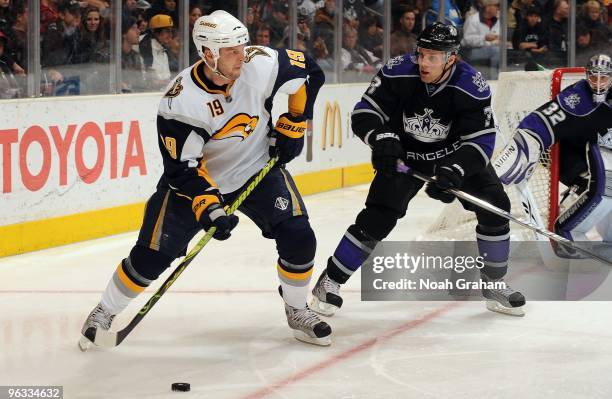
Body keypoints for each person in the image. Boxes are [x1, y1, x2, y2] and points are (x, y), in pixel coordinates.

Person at [79, 10, 331, 350]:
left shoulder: (260, 63)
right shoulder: (180, 101)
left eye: (242, 46)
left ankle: (297, 309)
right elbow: (183, 168)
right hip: (195, 183)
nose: (242, 55)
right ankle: (104, 311)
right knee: (151, 257)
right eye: (231, 50)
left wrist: (296, 121)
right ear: (208, 53)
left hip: (256, 167)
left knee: (299, 236)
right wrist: (209, 205)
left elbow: (310, 72)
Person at [309, 22, 526, 317]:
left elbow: (481, 140)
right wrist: (381, 139)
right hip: (405, 157)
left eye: (432, 57)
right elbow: (365, 112)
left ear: (451, 58)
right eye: (421, 53)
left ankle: (494, 283)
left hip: (452, 156)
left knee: (495, 205)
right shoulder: (398, 71)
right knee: (377, 218)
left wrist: (456, 170)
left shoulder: (470, 85)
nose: (424, 62)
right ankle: (329, 282)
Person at [495, 54, 611, 250]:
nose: (598, 83)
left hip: (599, 154)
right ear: (586, 75)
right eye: (594, 77)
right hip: (570, 157)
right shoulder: (577, 97)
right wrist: (529, 139)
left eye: (604, 78)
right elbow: (544, 119)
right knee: (595, 187)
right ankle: (566, 233)